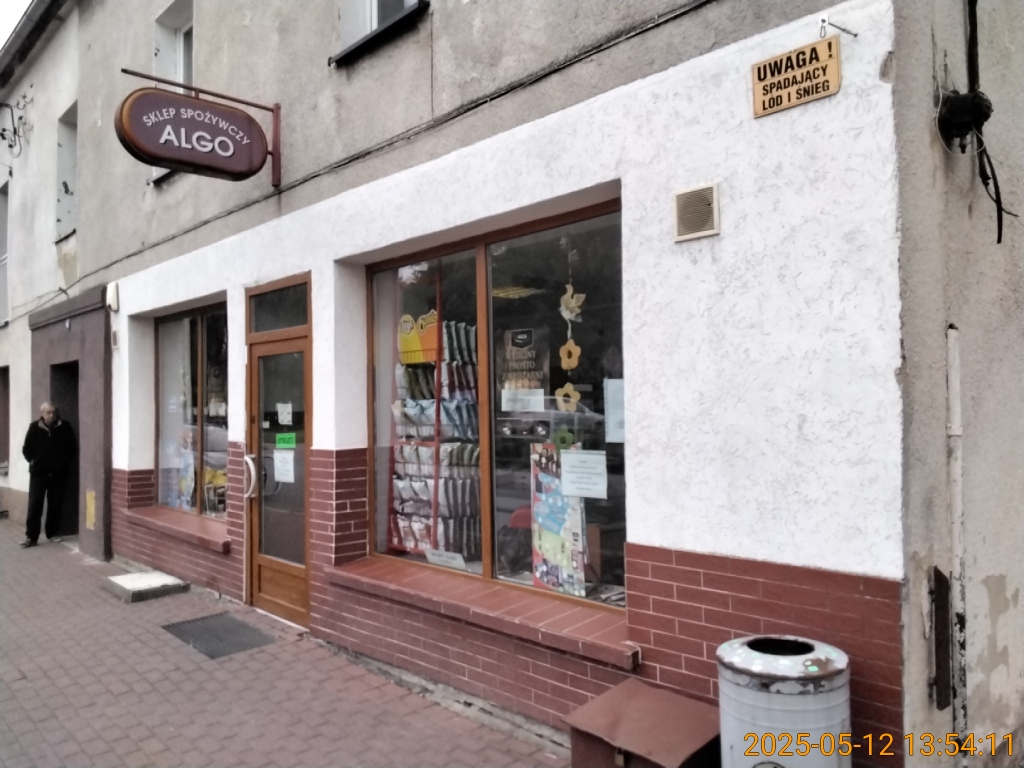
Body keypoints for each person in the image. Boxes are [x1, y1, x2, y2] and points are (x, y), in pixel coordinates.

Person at [20, 402, 76, 548]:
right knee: (35, 504)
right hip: (38, 473)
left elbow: (72, 448)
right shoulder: (34, 427)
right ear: (42, 414)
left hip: (58, 473)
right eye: (48, 413)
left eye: (53, 412)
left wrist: (63, 463)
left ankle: (53, 532)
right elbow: (26, 448)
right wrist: (33, 461)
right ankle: (31, 536)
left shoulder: (64, 426)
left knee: (56, 503)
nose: (51, 415)